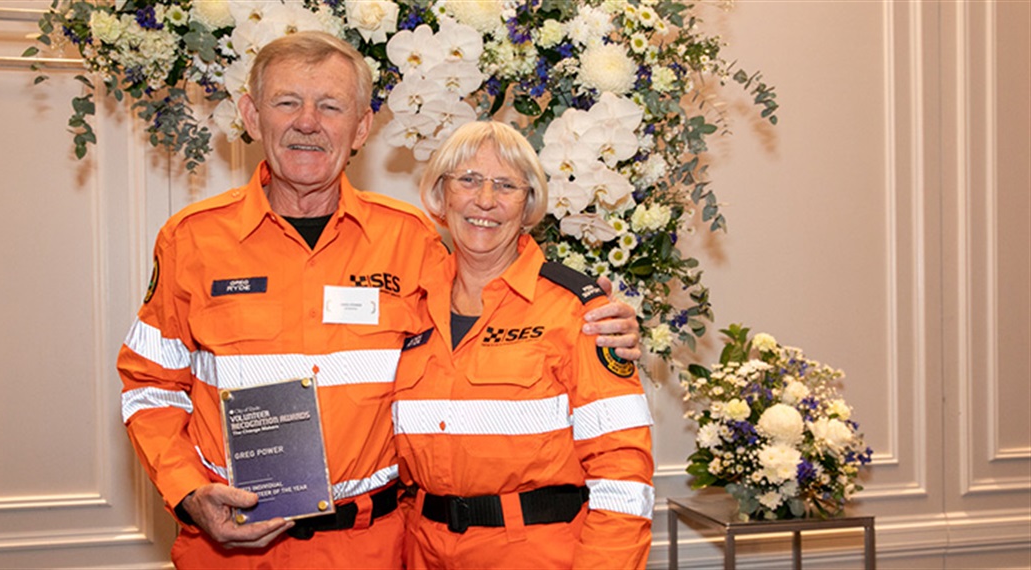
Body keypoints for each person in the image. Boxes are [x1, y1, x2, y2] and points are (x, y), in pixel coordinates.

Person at [116, 31, 641, 568]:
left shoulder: (411, 241)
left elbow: (495, 298)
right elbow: (149, 387)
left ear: (361, 127)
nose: (307, 122)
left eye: (331, 106)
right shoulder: (191, 240)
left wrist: (598, 319)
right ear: (251, 116)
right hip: (230, 547)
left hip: (374, 547)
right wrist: (184, 490)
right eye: (287, 102)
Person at [392, 121, 654, 569]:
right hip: (422, 552)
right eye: (468, 180)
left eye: (506, 185)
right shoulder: (406, 307)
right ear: (441, 195)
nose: (485, 200)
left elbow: (623, 474)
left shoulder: (579, 311)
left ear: (528, 203)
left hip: (538, 554)